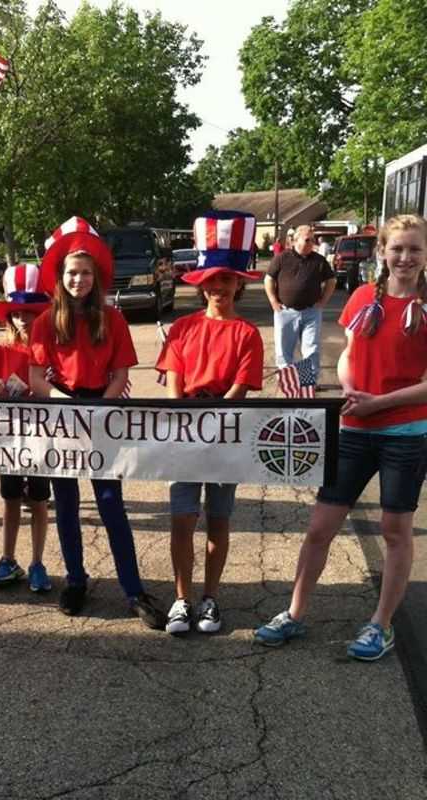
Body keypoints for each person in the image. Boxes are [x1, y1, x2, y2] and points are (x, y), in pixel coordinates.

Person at [255, 214, 427, 661]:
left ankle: (380, 625)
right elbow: (349, 354)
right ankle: (294, 613)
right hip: (355, 427)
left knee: (395, 531)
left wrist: (380, 403)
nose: (405, 257)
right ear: (382, 253)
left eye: (415, 249)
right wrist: (350, 390)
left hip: (405, 433)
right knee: (319, 528)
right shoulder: (364, 299)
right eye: (397, 248)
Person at [29, 217, 163, 629]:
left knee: (110, 504)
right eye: (72, 272)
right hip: (63, 415)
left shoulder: (113, 319)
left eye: (86, 273)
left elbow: (122, 374)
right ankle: (75, 578)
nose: (79, 279)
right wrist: (65, 405)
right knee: (66, 505)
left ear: (97, 277)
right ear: (61, 277)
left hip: (101, 414)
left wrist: (99, 411)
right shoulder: (45, 323)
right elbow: (36, 375)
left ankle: (133, 588)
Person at [156, 211, 264, 635]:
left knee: (219, 520)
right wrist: (184, 420)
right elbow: (174, 384)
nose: (218, 287)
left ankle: (210, 598)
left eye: (226, 279)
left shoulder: (247, 334)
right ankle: (181, 598)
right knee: (182, 519)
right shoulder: (183, 328)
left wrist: (213, 424)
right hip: (186, 434)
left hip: (226, 435)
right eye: (211, 280)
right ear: (200, 284)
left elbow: (239, 388)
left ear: (238, 283)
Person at [0, 263, 52, 592]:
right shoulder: (2, 350)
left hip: (40, 435)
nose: (23, 319)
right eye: (17, 313)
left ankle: (38, 561)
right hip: (9, 435)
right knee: (10, 498)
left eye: (30, 313)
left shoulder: (49, 349)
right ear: (9, 317)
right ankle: (8, 558)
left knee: (39, 499)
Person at [264, 224, 336, 380]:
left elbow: (331, 281)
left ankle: (307, 383)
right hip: (285, 312)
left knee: (311, 349)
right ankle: (287, 381)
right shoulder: (282, 258)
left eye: (313, 239)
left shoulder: (319, 260)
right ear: (296, 240)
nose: (312, 243)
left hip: (311, 312)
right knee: (284, 351)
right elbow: (269, 279)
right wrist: (273, 302)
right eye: (308, 239)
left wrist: (323, 302)